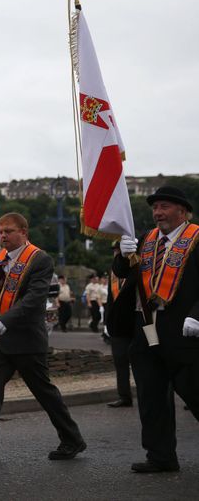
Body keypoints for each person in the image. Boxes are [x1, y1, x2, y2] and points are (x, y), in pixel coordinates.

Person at [0, 212, 85, 464]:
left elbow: (35, 298)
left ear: (24, 232)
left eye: (9, 231)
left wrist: (6, 319)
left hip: (25, 338)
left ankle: (72, 438)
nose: (3, 236)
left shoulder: (39, 259)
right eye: (0, 232)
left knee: (44, 392)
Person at [114, 186, 199, 473]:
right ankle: (161, 456)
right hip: (146, 327)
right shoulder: (147, 240)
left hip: (184, 330)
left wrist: (197, 316)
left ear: (183, 212)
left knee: (194, 391)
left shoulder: (196, 239)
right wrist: (123, 255)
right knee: (151, 397)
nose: (158, 213)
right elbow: (124, 273)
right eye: (155, 208)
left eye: (164, 207)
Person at [104, 243, 134, 409]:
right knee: (120, 363)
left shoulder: (135, 266)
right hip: (117, 325)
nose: (116, 253)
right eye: (115, 250)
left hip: (134, 323)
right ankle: (124, 396)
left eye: (119, 250)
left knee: (139, 363)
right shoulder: (113, 270)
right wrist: (107, 320)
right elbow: (110, 297)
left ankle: (146, 394)